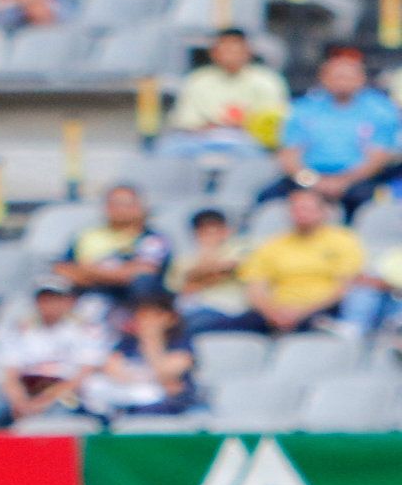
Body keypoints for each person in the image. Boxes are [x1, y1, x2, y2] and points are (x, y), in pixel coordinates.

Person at [258, 50, 399, 218]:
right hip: (307, 178)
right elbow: (289, 153)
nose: (342, 82)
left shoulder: (380, 109)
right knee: (267, 197)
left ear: (362, 79)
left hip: (359, 180)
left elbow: (379, 156)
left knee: (370, 202)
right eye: (337, 76)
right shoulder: (303, 108)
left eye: (348, 77)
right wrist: (311, 180)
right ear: (323, 78)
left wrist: (344, 182)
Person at [204, 188, 363, 337]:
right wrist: (273, 313)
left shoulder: (343, 241)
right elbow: (255, 288)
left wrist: (301, 312)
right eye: (295, 208)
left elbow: (343, 287)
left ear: (323, 212)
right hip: (275, 311)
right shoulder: (273, 245)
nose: (300, 214)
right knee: (213, 328)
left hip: (321, 310)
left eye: (306, 208)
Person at [0, 280, 111, 430]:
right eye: (44, 300)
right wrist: (20, 402)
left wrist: (45, 401)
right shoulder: (20, 330)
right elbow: (9, 373)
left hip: (65, 393)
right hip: (27, 390)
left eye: (54, 299)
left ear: (67, 301)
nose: (48, 304)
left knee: (57, 420)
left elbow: (83, 374)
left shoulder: (84, 330)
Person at [161, 28, 289, 160]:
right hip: (203, 139)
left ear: (248, 52)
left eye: (235, 50)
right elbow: (186, 121)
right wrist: (212, 127)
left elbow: (274, 122)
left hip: (248, 140)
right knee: (169, 148)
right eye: (225, 50)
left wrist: (243, 124)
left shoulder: (267, 80)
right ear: (214, 53)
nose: (230, 55)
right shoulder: (197, 80)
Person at [54, 184, 171, 316]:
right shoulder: (87, 236)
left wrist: (87, 270)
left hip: (132, 304)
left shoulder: (152, 239)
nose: (119, 209)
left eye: (125, 204)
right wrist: (119, 272)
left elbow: (142, 273)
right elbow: (63, 269)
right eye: (114, 203)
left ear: (139, 207)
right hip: (90, 297)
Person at [81, 293, 202, 420]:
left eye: (154, 316)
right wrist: (144, 378)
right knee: (95, 386)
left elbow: (166, 372)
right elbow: (112, 370)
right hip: (131, 391)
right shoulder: (127, 343)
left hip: (168, 402)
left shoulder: (180, 343)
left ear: (171, 318)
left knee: (153, 396)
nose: (146, 321)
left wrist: (152, 340)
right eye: (142, 315)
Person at [169, 209, 252, 336]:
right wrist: (212, 271)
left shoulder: (241, 247)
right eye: (205, 232)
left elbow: (230, 268)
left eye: (216, 230)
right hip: (195, 309)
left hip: (232, 310)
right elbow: (182, 289)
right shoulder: (183, 260)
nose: (211, 236)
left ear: (226, 230)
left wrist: (198, 276)